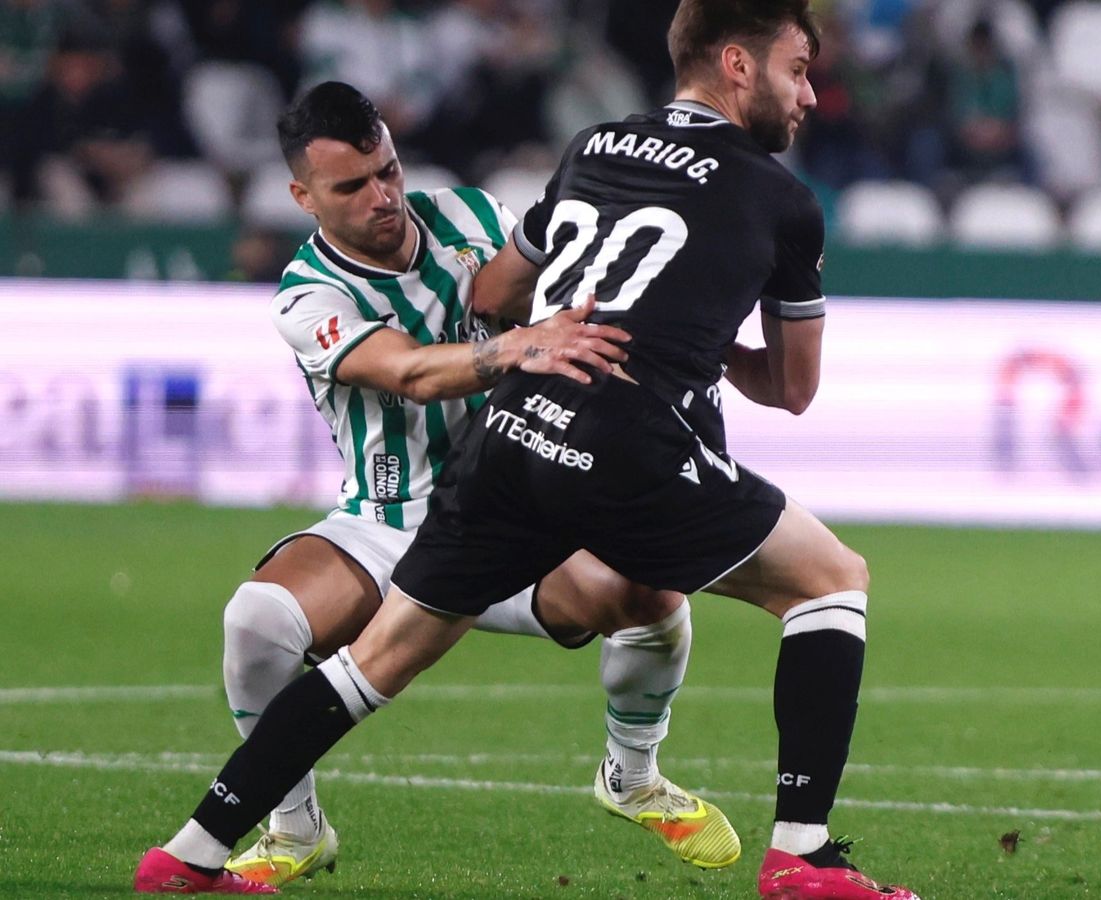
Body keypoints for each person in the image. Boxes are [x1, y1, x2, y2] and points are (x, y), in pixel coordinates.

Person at [134, 3, 919, 898]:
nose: (809, 94)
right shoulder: (785, 200)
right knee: (831, 580)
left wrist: (553, 331)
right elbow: (793, 389)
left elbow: (502, 283)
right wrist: (691, 343)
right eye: (797, 70)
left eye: (387, 171)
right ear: (738, 65)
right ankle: (803, 859)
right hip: (564, 455)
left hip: (504, 450)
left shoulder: (594, 146)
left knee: (377, 662)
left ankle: (187, 857)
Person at [190, 81, 740, 892]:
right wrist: (514, 348)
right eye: (353, 186)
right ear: (301, 197)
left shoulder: (475, 218)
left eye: (389, 171)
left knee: (651, 595)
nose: (383, 197)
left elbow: (566, 292)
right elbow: (408, 373)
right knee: (256, 620)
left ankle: (632, 775)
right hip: (387, 521)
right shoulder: (306, 296)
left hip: (516, 510)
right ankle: (293, 827)